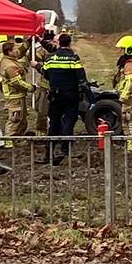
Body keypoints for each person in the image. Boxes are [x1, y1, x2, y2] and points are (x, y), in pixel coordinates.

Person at [42, 33, 87, 165]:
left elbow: (46, 74)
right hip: (71, 96)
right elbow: (81, 78)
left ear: (59, 43)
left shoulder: (50, 58)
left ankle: (49, 152)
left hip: (55, 95)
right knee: (69, 121)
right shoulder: (73, 58)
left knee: (54, 122)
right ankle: (65, 150)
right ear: (69, 43)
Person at [0, 42, 35, 149]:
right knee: (15, 118)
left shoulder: (10, 58)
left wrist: (29, 42)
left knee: (22, 118)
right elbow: (16, 82)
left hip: (18, 95)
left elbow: (21, 51)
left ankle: (17, 138)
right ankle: (9, 140)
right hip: (14, 96)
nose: (16, 51)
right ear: (9, 51)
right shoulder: (10, 65)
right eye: (14, 49)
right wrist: (30, 87)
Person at [29, 33, 55, 135]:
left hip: (54, 87)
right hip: (45, 87)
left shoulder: (59, 52)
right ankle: (41, 131)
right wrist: (32, 45)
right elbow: (33, 57)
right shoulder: (43, 51)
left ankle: (55, 131)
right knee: (42, 111)